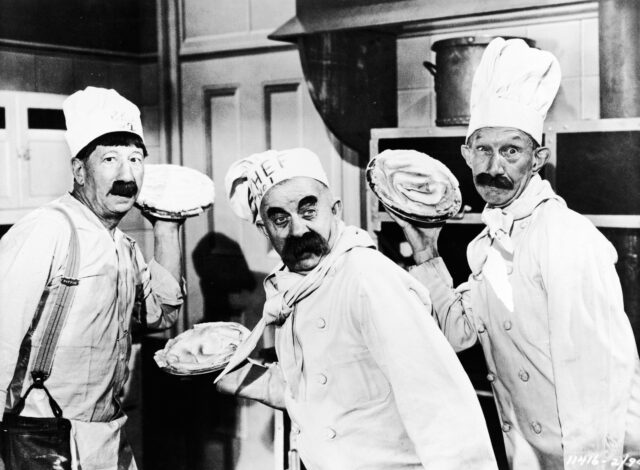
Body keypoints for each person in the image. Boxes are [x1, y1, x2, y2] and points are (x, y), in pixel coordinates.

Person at [393, 37, 640, 469]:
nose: (494, 167)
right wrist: (427, 253)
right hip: (528, 453)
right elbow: (460, 334)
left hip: (587, 455)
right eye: (484, 150)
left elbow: (597, 378)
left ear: (537, 158)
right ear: (467, 154)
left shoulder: (565, 238)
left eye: (511, 150)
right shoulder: (489, 243)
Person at [215, 148, 498, 470]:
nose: (297, 231)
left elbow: (438, 401)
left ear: (335, 209)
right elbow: (336, 393)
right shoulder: (295, 287)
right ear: (263, 229)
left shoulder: (366, 277)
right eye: (280, 219)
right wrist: (263, 384)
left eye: (309, 212)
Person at [0, 87, 185, 469]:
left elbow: (159, 317)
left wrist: (168, 226)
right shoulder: (48, 230)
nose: (127, 174)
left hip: (107, 437)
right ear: (80, 170)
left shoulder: (122, 245)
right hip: (44, 439)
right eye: (111, 159)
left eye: (136, 159)